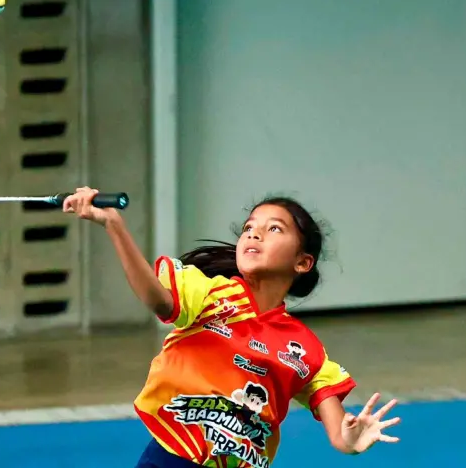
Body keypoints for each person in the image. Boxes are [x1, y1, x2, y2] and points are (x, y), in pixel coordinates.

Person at [63, 187, 401, 468]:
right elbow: (158, 300)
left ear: (302, 262)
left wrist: (352, 440)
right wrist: (115, 227)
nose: (254, 232)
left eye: (274, 229)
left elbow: (338, 430)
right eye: (249, 227)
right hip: (171, 461)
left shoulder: (304, 348)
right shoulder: (208, 293)